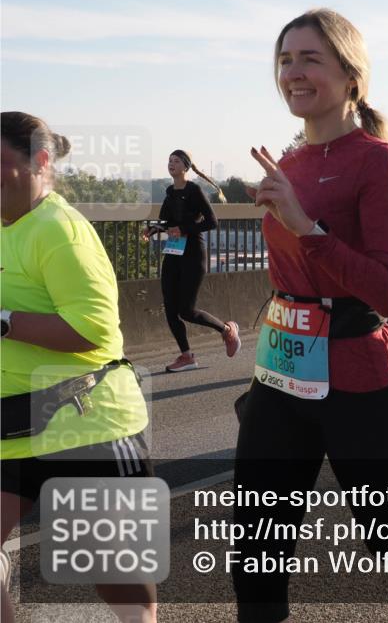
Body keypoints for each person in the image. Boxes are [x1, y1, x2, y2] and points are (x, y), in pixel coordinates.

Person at [231, 9, 388, 623]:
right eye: (284, 60)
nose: (293, 73)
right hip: (282, 371)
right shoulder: (290, 162)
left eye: (310, 59)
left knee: (386, 526)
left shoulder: (377, 159)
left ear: (351, 76)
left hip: (358, 372)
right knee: (253, 546)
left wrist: (306, 226)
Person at [1, 112, 155, 623]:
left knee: (112, 571)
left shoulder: (58, 229)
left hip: (82, 422)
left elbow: (91, 331)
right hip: (15, 425)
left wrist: (2, 322)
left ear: (40, 161)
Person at [143, 151, 240, 372]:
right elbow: (167, 223)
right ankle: (186, 356)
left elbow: (212, 221)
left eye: (176, 161)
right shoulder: (169, 194)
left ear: (186, 167)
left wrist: (184, 229)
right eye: (169, 161)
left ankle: (226, 330)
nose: (171, 164)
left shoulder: (194, 191)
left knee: (186, 310)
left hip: (194, 253)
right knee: (169, 307)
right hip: (173, 253)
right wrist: (153, 229)